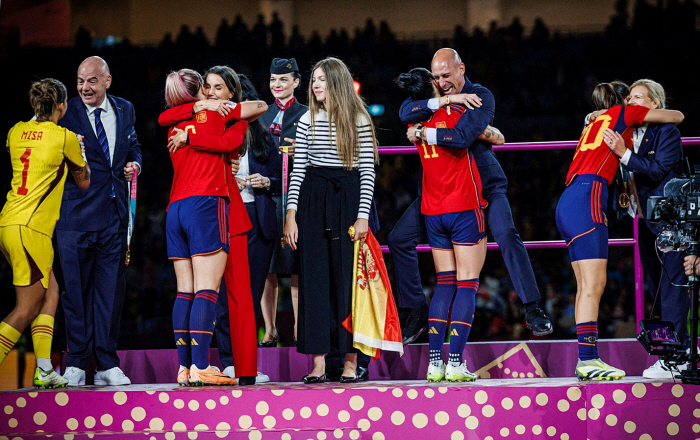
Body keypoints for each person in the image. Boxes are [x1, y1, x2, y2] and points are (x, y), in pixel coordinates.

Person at [396, 48, 552, 345]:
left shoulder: (481, 95)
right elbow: (404, 111)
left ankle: (532, 308)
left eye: (446, 76)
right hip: (440, 191)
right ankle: (415, 311)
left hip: (485, 185)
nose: (442, 82)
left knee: (506, 233)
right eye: (436, 78)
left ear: (461, 69)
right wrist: (446, 100)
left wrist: (424, 131)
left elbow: (464, 137)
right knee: (398, 239)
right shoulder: (436, 96)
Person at [555, 82, 683, 380]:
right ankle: (588, 359)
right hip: (589, 198)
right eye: (630, 98)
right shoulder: (624, 115)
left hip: (568, 199)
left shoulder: (599, 119)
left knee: (584, 285)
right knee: (593, 286)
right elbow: (676, 116)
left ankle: (587, 358)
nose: (632, 102)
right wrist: (632, 111)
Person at [165, 65, 268, 385]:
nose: (211, 93)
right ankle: (200, 366)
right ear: (198, 91)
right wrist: (209, 114)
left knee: (186, 291)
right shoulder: (217, 117)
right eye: (207, 87)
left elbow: (253, 113)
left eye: (218, 88)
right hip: (210, 206)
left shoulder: (176, 124)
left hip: (175, 209)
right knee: (209, 291)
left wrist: (192, 130)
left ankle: (185, 367)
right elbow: (230, 139)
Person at [398, 68, 503, 382]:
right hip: (463, 207)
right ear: (433, 85)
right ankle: (456, 362)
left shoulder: (414, 122)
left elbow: (407, 111)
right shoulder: (458, 113)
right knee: (467, 284)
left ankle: (434, 363)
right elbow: (491, 135)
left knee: (444, 283)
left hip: (432, 211)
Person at [283, 57, 378, 383]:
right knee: (314, 282)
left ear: (336, 81)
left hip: (347, 199)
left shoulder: (359, 119)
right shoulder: (307, 119)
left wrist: (363, 216)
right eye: (314, 80)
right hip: (313, 200)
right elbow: (299, 171)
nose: (316, 85)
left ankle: (351, 362)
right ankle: (319, 364)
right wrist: (291, 215)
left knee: (348, 284)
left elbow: (367, 171)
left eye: (322, 79)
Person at [57, 56, 141, 386]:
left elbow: (133, 146)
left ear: (107, 81)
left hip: (114, 217)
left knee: (110, 293)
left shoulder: (125, 109)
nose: (84, 87)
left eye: (92, 81)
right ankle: (76, 362)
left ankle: (107, 362)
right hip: (74, 217)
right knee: (75, 294)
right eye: (80, 81)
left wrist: (135, 165)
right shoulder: (65, 112)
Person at [0, 78, 90, 389]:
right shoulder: (64, 137)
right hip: (31, 229)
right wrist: (79, 150)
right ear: (62, 105)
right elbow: (84, 181)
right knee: (26, 308)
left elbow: (23, 151)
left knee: (51, 293)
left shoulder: (15, 130)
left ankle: (43, 369)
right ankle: (41, 369)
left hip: (9, 223)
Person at [607, 79, 688, 379]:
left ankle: (678, 356)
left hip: (670, 220)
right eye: (629, 97)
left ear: (654, 104)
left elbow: (657, 171)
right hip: (644, 220)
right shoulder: (626, 132)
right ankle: (668, 353)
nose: (630, 101)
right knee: (656, 289)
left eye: (638, 97)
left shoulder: (667, 132)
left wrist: (624, 155)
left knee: (672, 287)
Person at [214, 73, 279, 384]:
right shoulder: (215, 129)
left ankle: (247, 364)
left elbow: (282, 177)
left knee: (250, 297)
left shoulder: (262, 136)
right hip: (224, 216)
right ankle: (229, 361)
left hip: (258, 219)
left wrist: (266, 182)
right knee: (226, 298)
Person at [258, 57, 308, 346]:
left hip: (296, 200)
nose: (277, 85)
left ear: (296, 82)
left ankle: (301, 329)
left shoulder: (307, 114)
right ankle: (270, 329)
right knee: (268, 268)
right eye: (273, 80)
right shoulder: (261, 115)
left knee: (296, 266)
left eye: (283, 80)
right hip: (266, 198)